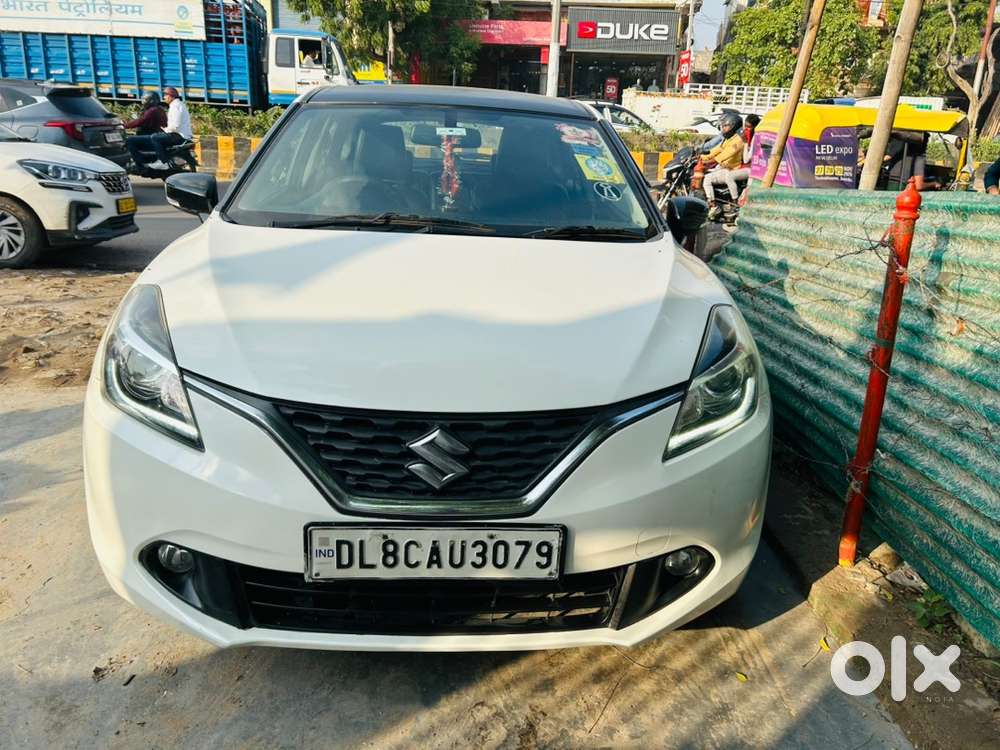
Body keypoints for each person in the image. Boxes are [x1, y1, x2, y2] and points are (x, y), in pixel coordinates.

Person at [129, 86, 192, 171]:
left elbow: (175, 125)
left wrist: (166, 130)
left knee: (155, 137)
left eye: (165, 95)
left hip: (178, 135)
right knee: (157, 136)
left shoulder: (175, 106)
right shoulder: (178, 105)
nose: (164, 97)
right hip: (181, 134)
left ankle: (163, 161)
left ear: (171, 96)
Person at [702, 112, 745, 220]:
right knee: (704, 173)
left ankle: (714, 206)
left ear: (733, 126)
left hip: (731, 169)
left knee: (707, 179)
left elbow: (723, 156)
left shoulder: (737, 141)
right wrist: (701, 156)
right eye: (723, 126)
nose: (723, 129)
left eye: (726, 126)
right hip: (723, 167)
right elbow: (717, 150)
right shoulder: (729, 139)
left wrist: (707, 162)